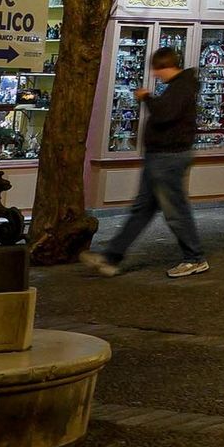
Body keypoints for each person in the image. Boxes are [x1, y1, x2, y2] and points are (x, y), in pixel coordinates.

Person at [83, 47, 208, 279]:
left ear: (165, 66)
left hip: (167, 158)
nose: (155, 74)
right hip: (161, 157)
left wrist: (147, 98)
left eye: (157, 69)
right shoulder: (180, 87)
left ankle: (194, 258)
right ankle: (112, 257)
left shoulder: (180, 87)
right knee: (143, 210)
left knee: (174, 211)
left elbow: (164, 114)